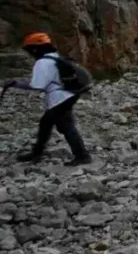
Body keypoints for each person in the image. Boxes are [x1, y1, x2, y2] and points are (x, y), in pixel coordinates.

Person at [5, 33, 91, 166]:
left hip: (59, 98)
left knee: (66, 126)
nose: (30, 53)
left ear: (35, 49)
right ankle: (37, 152)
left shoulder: (42, 62)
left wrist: (15, 84)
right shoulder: (55, 57)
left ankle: (82, 156)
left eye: (30, 50)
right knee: (46, 123)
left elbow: (38, 86)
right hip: (70, 94)